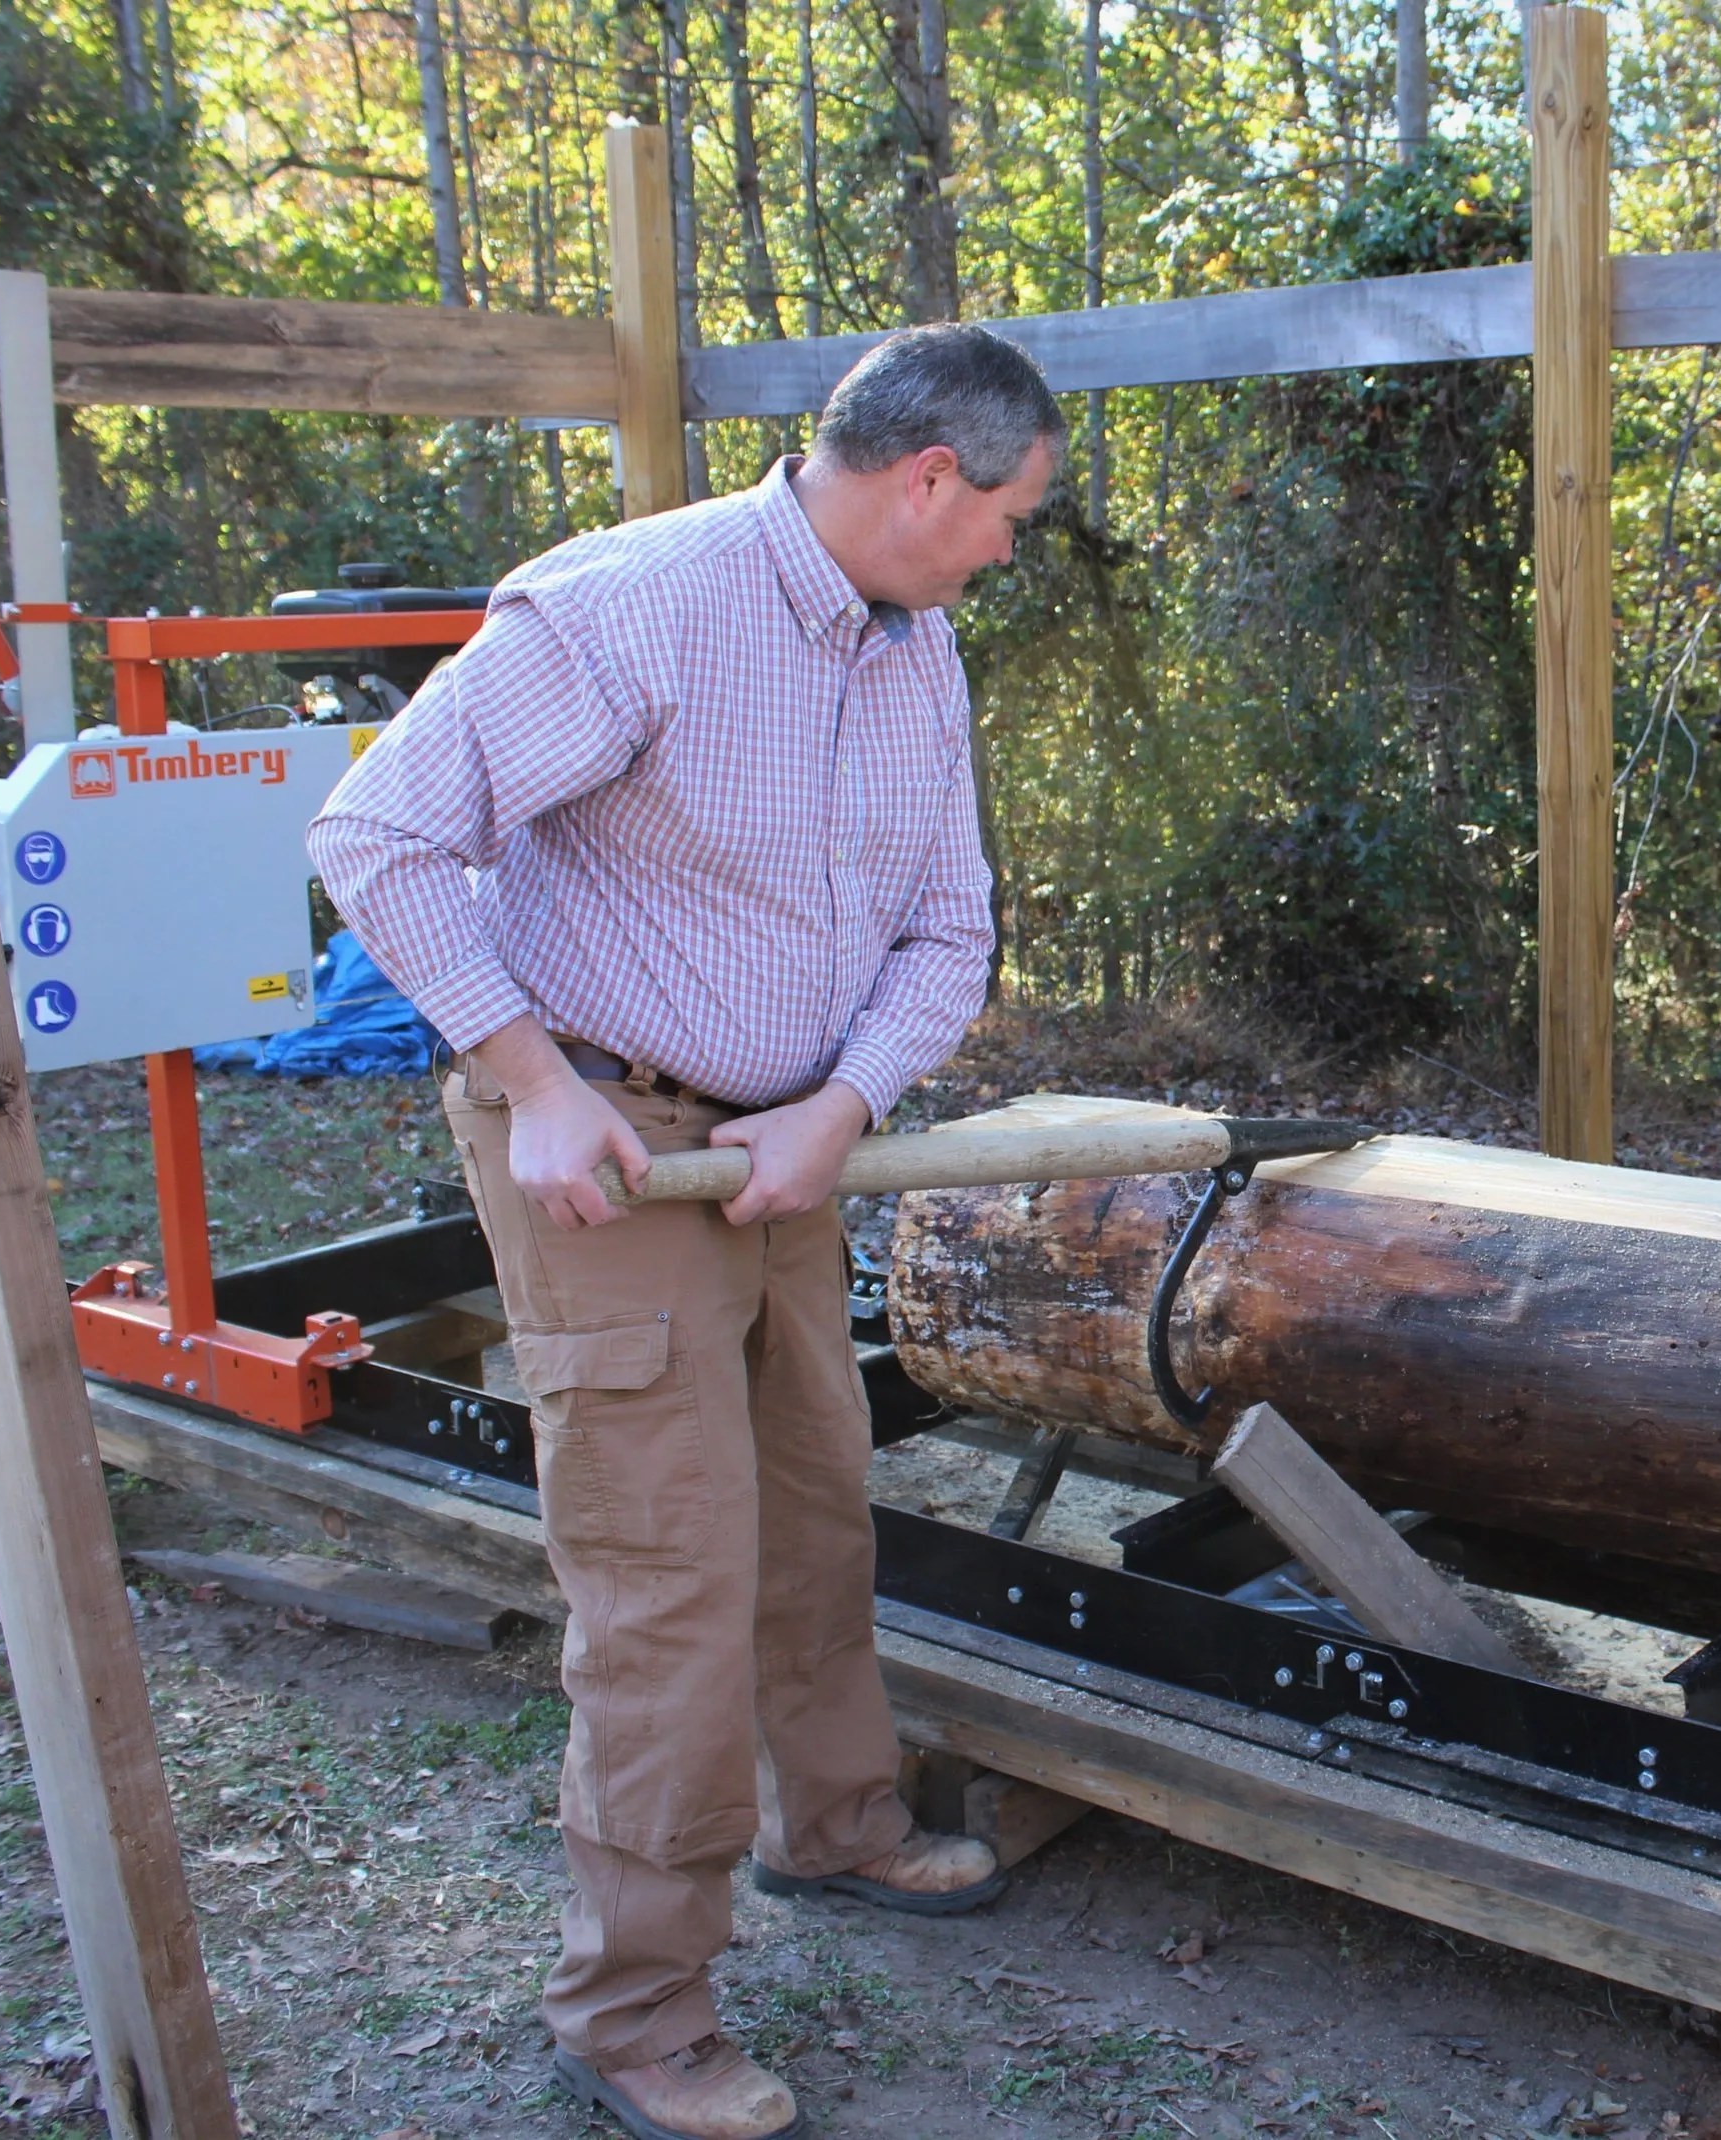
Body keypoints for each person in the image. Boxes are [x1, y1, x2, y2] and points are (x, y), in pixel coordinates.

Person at [309, 321, 1065, 2140]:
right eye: (1016, 514)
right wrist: (534, 1080)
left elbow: (948, 928)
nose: (1013, 551)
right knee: (666, 1576)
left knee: (813, 1503)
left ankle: (840, 1827)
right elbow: (380, 833)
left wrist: (842, 1104)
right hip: (604, 1146)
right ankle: (633, 2006)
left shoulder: (918, 646)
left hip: (776, 1148)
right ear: (928, 479)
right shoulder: (635, 606)